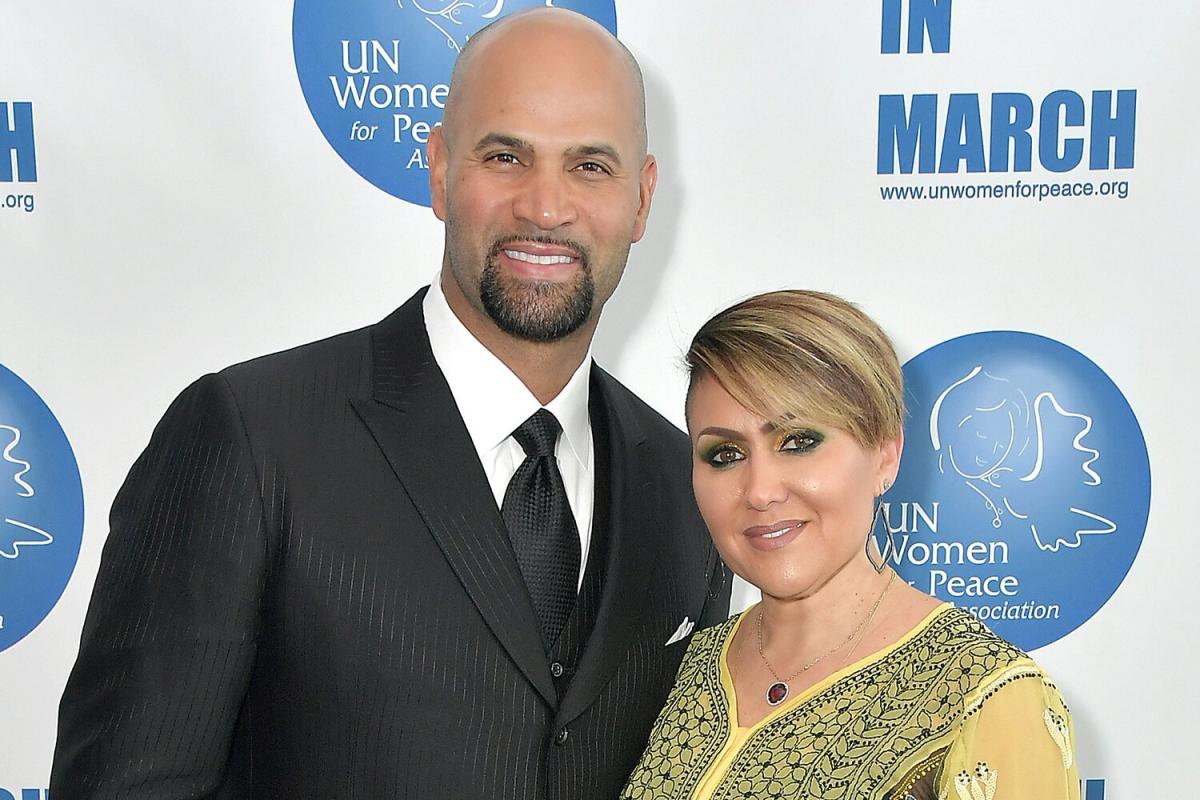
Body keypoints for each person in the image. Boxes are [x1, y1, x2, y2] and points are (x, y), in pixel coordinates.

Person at [50, 9, 728, 800]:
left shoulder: (691, 489)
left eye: (590, 166)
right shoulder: (251, 437)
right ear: (440, 170)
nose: (546, 207)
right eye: (505, 155)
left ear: (642, 200)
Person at [621, 290, 1079, 800]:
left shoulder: (983, 696)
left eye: (798, 442)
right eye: (725, 454)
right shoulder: (690, 666)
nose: (760, 491)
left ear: (885, 454)